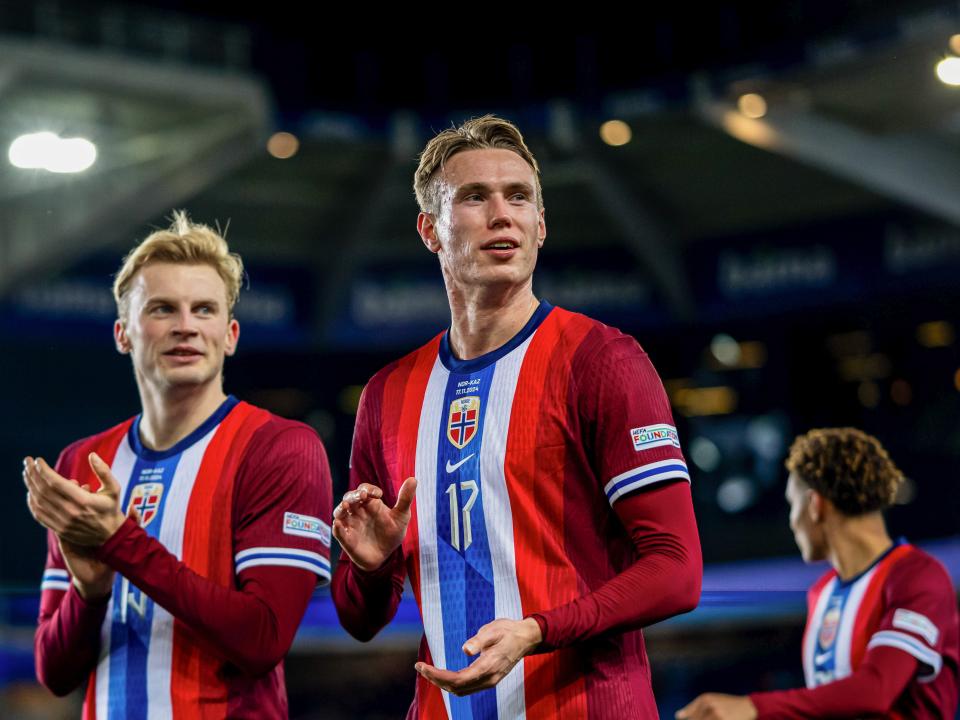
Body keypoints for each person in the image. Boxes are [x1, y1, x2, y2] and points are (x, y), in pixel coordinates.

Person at [330, 115, 702, 719]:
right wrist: (370, 569)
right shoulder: (386, 395)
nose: (502, 214)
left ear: (540, 225)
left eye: (519, 196)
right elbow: (359, 621)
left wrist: (535, 630)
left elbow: (677, 570)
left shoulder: (603, 361)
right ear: (430, 230)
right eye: (474, 197)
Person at [23, 212, 332, 719]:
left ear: (230, 334)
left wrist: (121, 543)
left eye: (204, 309)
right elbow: (54, 673)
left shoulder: (279, 447)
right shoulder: (81, 462)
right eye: (163, 309)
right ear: (123, 333)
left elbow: (263, 639)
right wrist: (90, 588)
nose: (185, 326)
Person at [677, 427, 959, 720]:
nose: (791, 520)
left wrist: (753, 708)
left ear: (815, 505)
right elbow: (823, 705)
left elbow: (877, 689)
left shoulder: (917, 576)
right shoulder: (821, 592)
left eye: (791, 504)